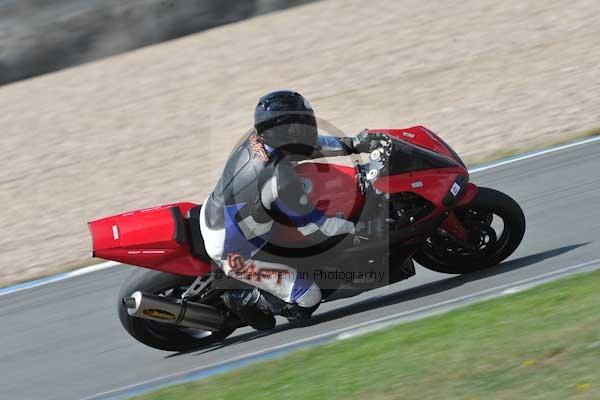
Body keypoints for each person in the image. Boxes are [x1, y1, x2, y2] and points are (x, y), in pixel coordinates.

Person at [200, 90, 388, 329]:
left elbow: (309, 147)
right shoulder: (281, 180)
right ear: (281, 133)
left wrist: (353, 144)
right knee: (308, 296)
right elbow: (317, 228)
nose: (308, 128)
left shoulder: (258, 139)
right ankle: (247, 298)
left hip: (219, 212)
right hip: (234, 254)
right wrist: (360, 227)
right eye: (299, 126)